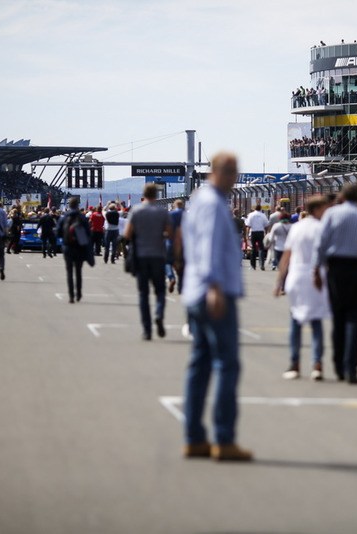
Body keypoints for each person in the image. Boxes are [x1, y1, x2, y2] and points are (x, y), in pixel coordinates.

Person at [182, 152, 251, 461]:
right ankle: (223, 438)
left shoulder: (198, 200)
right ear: (223, 172)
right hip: (215, 290)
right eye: (234, 173)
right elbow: (209, 245)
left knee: (201, 363)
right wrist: (215, 287)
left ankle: (194, 437)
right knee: (227, 363)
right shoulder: (212, 204)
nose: (235, 180)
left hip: (197, 289)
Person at [312, 183, 357, 384]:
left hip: (337, 269)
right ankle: (352, 368)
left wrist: (317, 268)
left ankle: (339, 366)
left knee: (338, 319)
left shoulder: (332, 215)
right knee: (355, 319)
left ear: (341, 197)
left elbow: (321, 243)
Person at [275, 195, 332, 380]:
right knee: (316, 322)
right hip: (317, 276)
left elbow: (286, 256)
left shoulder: (297, 228)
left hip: (296, 276)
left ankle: (294, 363)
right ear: (317, 210)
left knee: (295, 321)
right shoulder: (323, 228)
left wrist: (279, 282)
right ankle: (317, 364)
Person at [124, 184, 172, 341]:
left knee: (143, 294)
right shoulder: (162, 212)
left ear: (143, 195)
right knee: (160, 291)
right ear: (156, 195)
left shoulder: (136, 211)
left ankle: (147, 329)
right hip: (158, 255)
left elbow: (127, 234)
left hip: (141, 256)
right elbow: (170, 233)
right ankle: (158, 314)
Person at [56, 197, 91, 303]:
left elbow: (58, 233)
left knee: (69, 272)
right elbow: (89, 234)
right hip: (80, 247)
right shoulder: (83, 218)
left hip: (67, 247)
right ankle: (79, 293)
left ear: (69, 205)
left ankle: (71, 295)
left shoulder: (63, 218)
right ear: (77, 206)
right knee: (78, 271)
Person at [166, 200, 185, 294]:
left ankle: (171, 277)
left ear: (174, 206)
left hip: (170, 242)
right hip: (184, 244)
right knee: (182, 265)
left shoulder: (170, 215)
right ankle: (180, 287)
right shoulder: (188, 215)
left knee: (167, 262)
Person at [245, 205, 268, 270]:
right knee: (261, 248)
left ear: (254, 208)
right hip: (261, 232)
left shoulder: (251, 215)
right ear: (260, 209)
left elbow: (248, 226)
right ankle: (261, 264)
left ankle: (253, 265)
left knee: (253, 249)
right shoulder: (263, 215)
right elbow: (266, 225)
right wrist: (266, 232)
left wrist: (247, 235)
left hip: (253, 232)